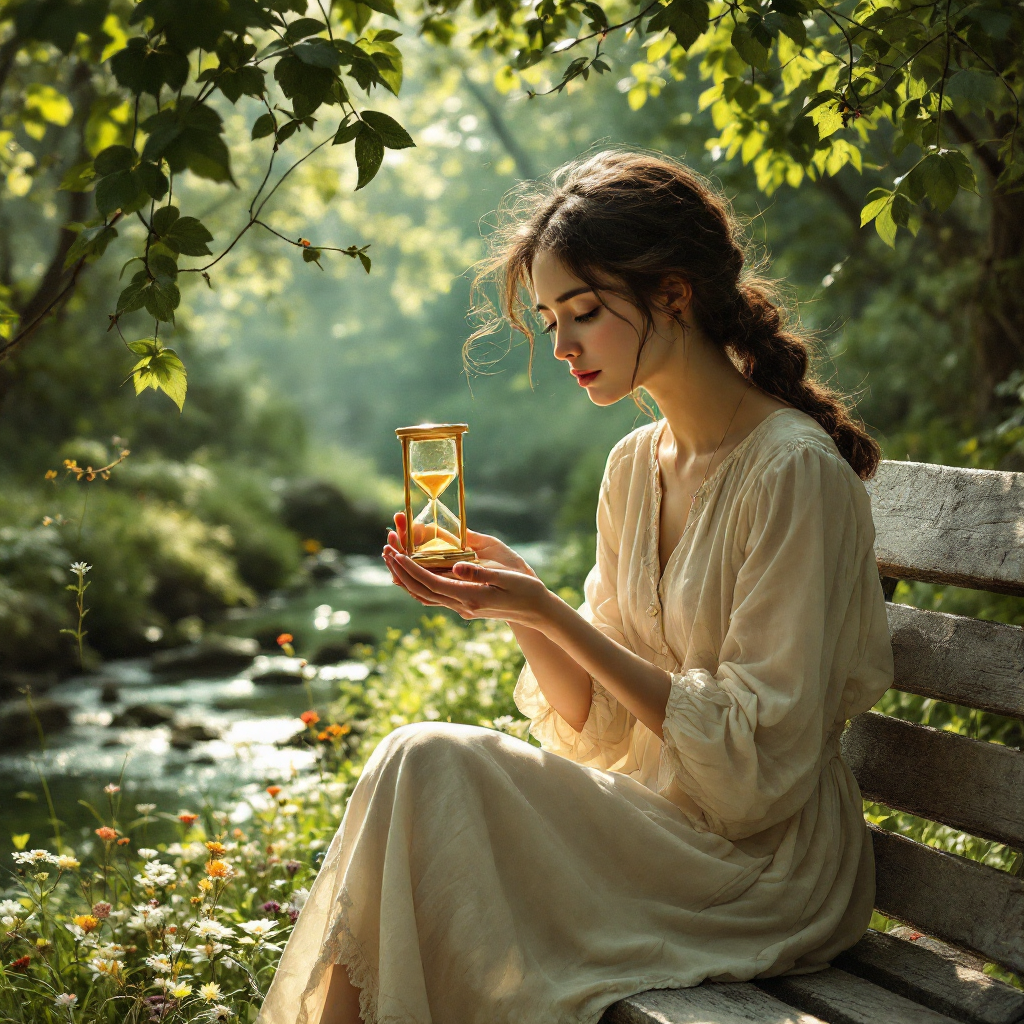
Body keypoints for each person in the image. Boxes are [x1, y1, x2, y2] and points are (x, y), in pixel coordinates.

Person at [255, 150, 894, 1024]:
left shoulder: (792, 473)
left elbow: (759, 772)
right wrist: (520, 603)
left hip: (762, 868)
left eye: (584, 314)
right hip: (649, 826)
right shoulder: (634, 465)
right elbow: (596, 725)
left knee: (425, 759)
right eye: (551, 320)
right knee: (420, 769)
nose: (561, 347)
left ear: (673, 295)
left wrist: (549, 609)